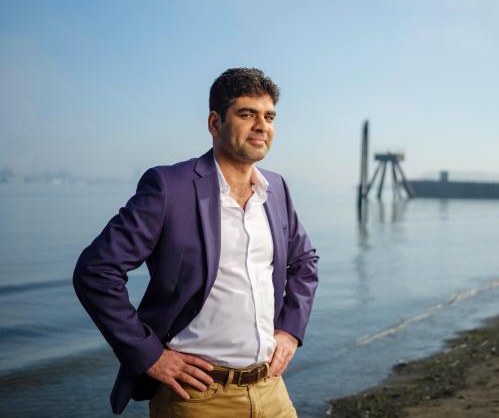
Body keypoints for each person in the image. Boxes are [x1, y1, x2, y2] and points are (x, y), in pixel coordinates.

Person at [73, 68, 319, 417]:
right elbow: (96, 271)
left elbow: (305, 262)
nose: (262, 125)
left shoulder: (276, 189)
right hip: (198, 399)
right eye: (247, 114)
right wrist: (150, 356)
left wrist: (291, 330)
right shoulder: (169, 187)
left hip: (271, 390)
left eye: (269, 116)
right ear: (215, 123)